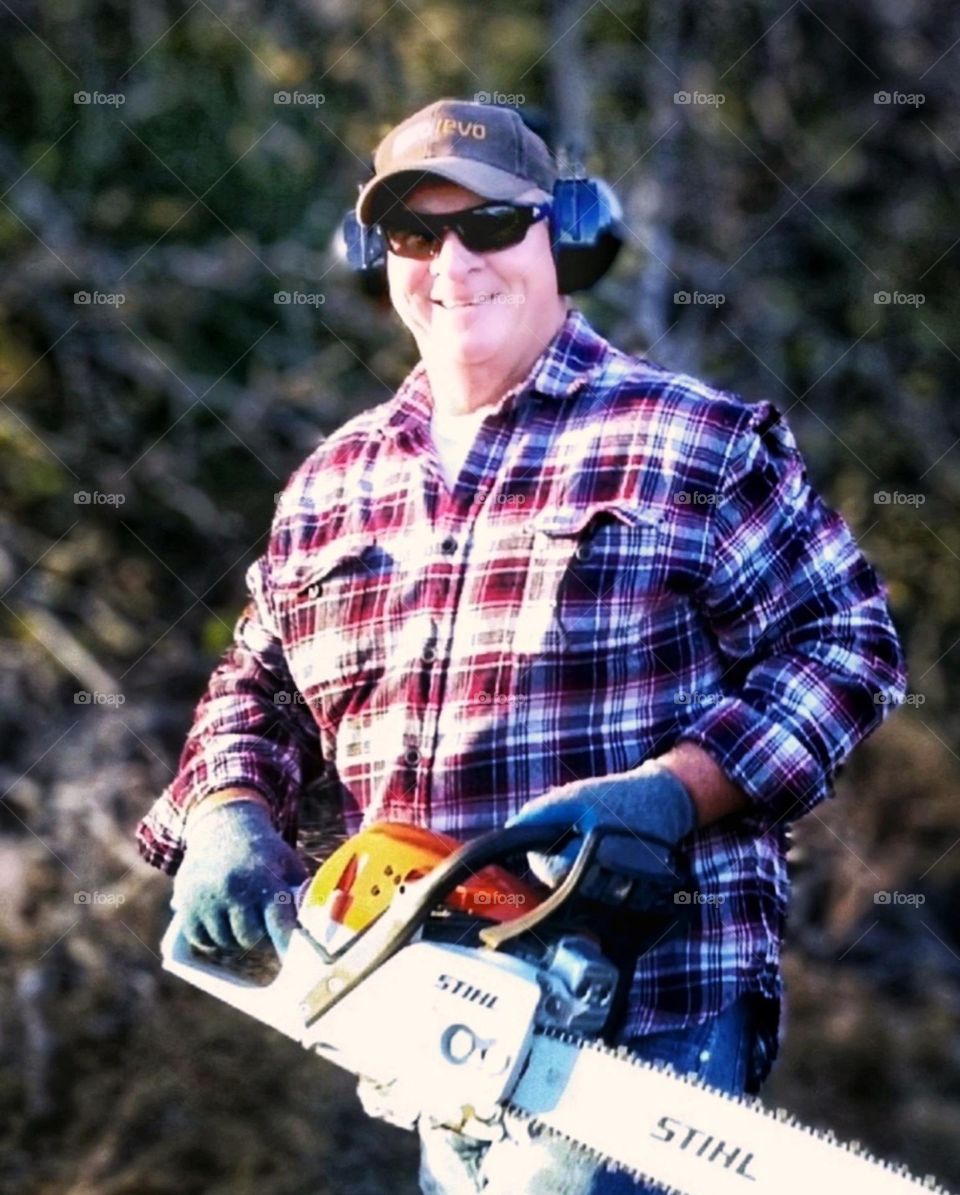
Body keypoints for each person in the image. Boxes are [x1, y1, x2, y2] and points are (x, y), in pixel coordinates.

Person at [136, 98, 908, 1194]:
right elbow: (255, 687)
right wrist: (227, 811)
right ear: (376, 258)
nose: (454, 260)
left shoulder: (686, 437)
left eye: (491, 224)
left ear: (566, 234)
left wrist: (675, 791)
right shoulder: (334, 484)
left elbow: (850, 644)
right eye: (417, 232)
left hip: (647, 1022)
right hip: (428, 1030)